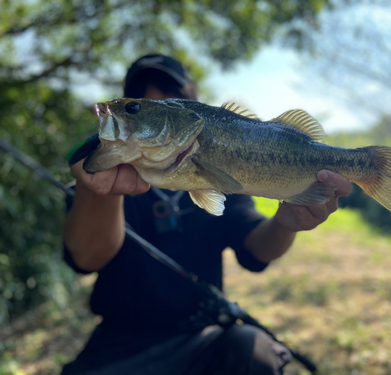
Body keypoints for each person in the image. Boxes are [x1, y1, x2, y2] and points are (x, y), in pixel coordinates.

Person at [62, 54, 352, 375]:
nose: (150, 100)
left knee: (256, 355)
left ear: (192, 100)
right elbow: (87, 259)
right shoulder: (101, 174)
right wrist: (95, 190)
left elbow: (256, 251)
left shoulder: (215, 162)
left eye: (171, 96)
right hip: (120, 346)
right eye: (138, 101)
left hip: (203, 337)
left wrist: (287, 223)